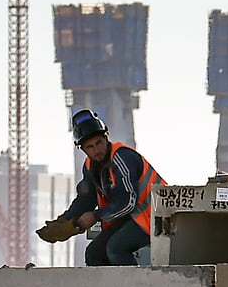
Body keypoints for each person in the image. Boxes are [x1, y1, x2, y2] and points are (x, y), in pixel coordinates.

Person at [36, 109, 166, 266]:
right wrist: (67, 219)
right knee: (94, 254)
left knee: (116, 249)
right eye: (90, 147)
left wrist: (95, 216)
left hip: (155, 217)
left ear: (106, 138)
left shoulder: (122, 158)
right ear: (83, 149)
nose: (96, 150)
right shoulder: (90, 167)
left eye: (99, 143)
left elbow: (128, 203)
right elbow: (86, 200)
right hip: (132, 219)